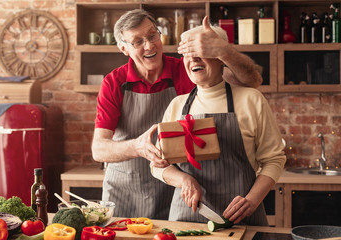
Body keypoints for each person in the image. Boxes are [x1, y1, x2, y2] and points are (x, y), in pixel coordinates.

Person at [91, 9, 263, 219]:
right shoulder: (114, 82)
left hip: (174, 190)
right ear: (124, 48)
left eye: (153, 35)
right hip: (124, 192)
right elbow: (99, 150)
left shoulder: (186, 69)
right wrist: (138, 146)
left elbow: (251, 81)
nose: (149, 45)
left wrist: (224, 52)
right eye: (137, 41)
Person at [151, 25, 286, 225]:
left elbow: (274, 160)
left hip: (243, 220)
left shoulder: (252, 100)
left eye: (200, 52)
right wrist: (184, 180)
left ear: (221, 57)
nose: (193, 59)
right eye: (188, 54)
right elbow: (158, 165)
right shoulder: (177, 106)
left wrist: (252, 200)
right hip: (187, 222)